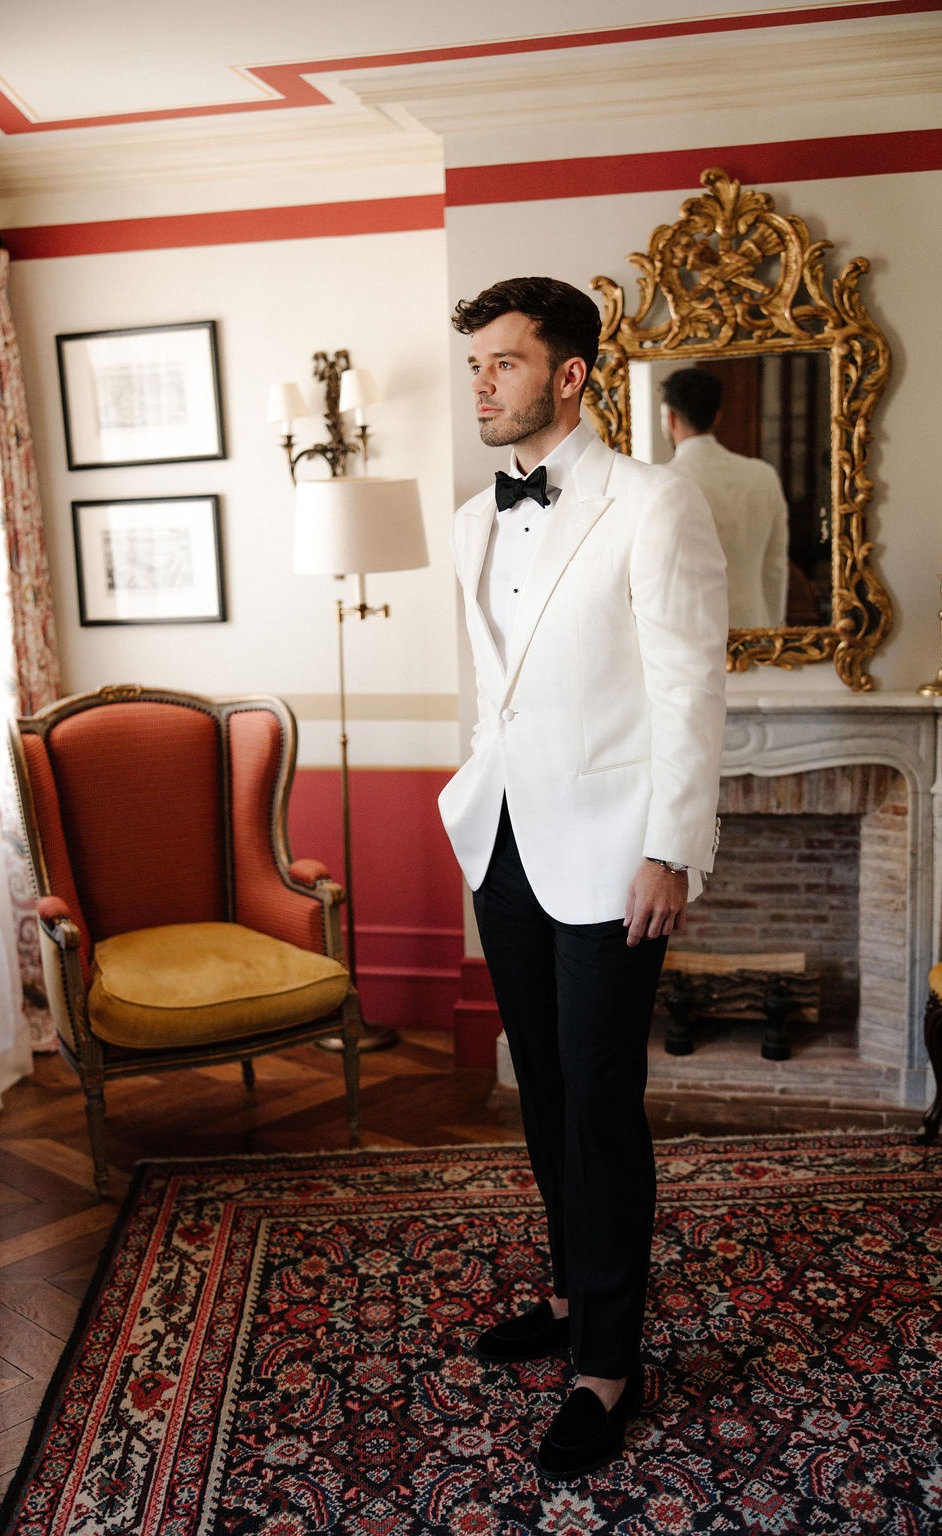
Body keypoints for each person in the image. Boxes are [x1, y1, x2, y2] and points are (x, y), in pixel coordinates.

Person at [438, 277, 727, 1480]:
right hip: (502, 839)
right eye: (474, 367)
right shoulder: (466, 517)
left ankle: (608, 1362)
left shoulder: (653, 502)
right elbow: (487, 691)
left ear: (568, 375)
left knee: (601, 1103)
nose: (481, 385)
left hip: (615, 849)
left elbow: (687, 686)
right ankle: (568, 1297)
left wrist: (673, 844)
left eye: (502, 363)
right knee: (543, 1088)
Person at [659, 367, 789, 629]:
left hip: (691, 633)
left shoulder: (661, 484)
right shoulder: (763, 476)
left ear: (671, 419)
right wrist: (775, 631)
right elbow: (775, 566)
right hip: (756, 628)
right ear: (717, 417)